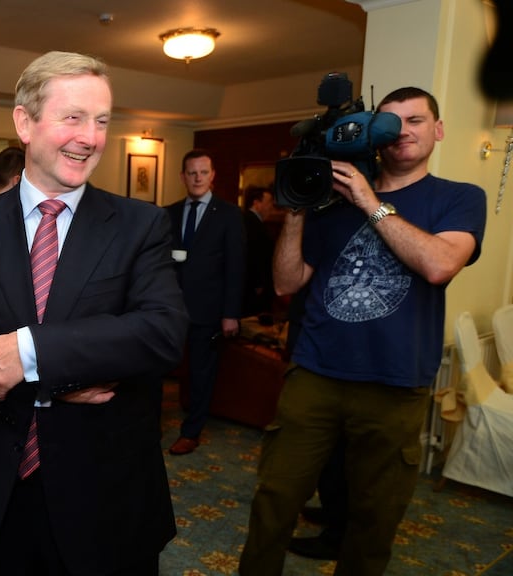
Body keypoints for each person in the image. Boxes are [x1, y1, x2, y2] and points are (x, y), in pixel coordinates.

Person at [0, 51, 188, 576]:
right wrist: (44, 381)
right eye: (73, 117)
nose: (90, 136)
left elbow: (162, 333)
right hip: (2, 490)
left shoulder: (139, 225)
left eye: (102, 120)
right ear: (24, 121)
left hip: (108, 496)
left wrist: (30, 354)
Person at [239, 87, 487, 575]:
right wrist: (294, 214)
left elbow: (439, 265)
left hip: (394, 384)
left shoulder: (459, 197)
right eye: (390, 123)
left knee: (374, 517)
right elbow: (288, 283)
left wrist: (369, 200)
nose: (402, 133)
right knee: (275, 497)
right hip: (315, 375)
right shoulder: (330, 204)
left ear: (437, 130)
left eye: (414, 121)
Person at [165, 149, 245, 456]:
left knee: (201, 373)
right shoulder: (168, 213)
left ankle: (191, 431)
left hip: (209, 310)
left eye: (203, 173)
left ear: (212, 176)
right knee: (155, 368)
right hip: (170, 309)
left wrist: (231, 314)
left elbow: (236, 267)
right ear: (183, 176)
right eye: (191, 173)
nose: (197, 178)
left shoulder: (228, 214)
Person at [242, 187, 277, 318]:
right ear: (257, 203)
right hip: (254, 288)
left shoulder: (253, 222)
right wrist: (258, 283)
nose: (271, 207)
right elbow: (253, 255)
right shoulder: (251, 223)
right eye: (268, 202)